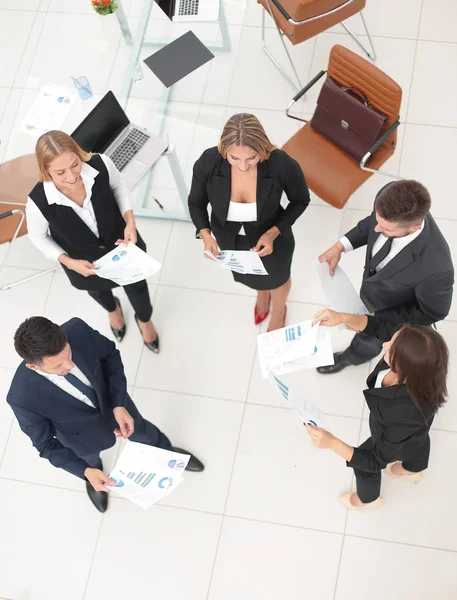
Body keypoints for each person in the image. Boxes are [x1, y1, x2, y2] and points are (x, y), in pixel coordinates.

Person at [7, 316, 204, 513]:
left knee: (144, 431)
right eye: (58, 366)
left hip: (115, 405)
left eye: (68, 354)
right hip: (80, 437)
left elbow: (110, 355)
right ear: (33, 366)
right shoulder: (22, 397)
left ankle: (167, 453)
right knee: (90, 460)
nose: (69, 365)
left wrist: (119, 403)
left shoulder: (78, 330)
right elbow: (45, 445)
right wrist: (84, 472)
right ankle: (94, 478)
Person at [26, 130, 159, 353]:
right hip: (83, 262)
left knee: (137, 286)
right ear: (46, 170)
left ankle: (144, 320)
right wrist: (68, 262)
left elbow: (119, 187)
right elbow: (38, 237)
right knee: (99, 292)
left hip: (122, 245)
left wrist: (130, 221)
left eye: (75, 164)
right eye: (60, 172)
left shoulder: (101, 164)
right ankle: (112, 309)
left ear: (79, 155)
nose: (71, 176)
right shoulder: (38, 202)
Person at [305, 321, 449, 509]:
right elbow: (387, 328)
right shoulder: (424, 364)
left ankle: (368, 499)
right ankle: (412, 468)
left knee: (364, 467)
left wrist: (331, 443)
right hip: (412, 433)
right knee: (418, 439)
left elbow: (374, 460)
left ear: (404, 367)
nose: (384, 345)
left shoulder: (404, 416)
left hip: (394, 434)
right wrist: (351, 320)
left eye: (390, 350)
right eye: (392, 340)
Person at [188, 113, 310, 331]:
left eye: (251, 158)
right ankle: (262, 294)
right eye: (234, 158)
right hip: (229, 239)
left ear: (262, 150)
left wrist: (273, 232)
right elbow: (196, 202)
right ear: (224, 150)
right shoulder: (208, 162)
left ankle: (279, 310)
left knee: (278, 278)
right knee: (251, 275)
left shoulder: (281, 164)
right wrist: (206, 235)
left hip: (273, 239)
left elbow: (300, 200)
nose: (243, 167)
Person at [316, 180, 454, 374]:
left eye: (387, 229)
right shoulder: (388, 195)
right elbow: (372, 223)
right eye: (379, 222)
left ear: (414, 227)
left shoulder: (437, 269)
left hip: (386, 317)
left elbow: (432, 314)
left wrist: (373, 319)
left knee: (367, 342)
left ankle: (350, 358)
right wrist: (341, 246)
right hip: (371, 295)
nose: (377, 229)